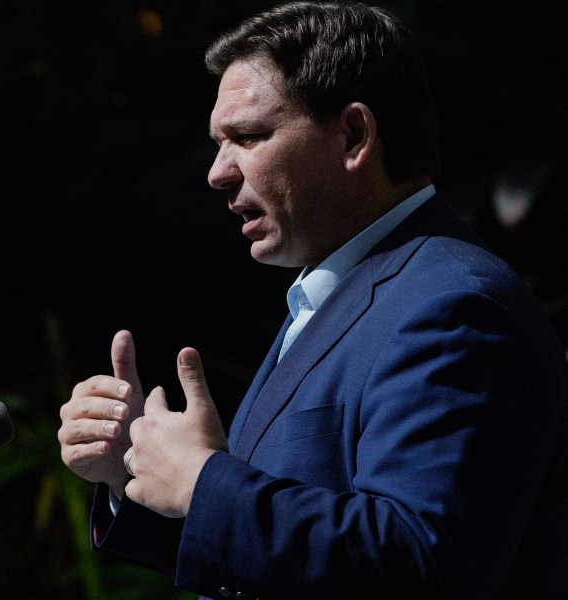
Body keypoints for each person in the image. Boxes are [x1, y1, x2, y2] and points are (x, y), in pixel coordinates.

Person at [57, 2, 568, 598]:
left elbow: (418, 563)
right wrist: (137, 477)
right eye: (219, 142)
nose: (218, 172)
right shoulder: (345, 292)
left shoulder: (456, 305)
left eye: (247, 136)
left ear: (354, 136)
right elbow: (272, 560)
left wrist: (202, 484)